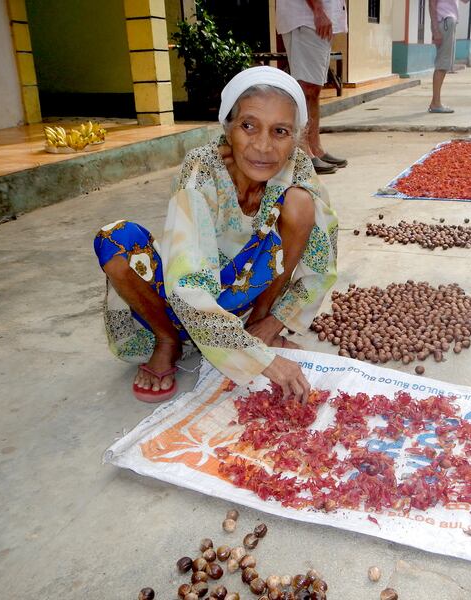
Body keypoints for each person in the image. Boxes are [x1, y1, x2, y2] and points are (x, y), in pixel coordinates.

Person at [93, 66, 338, 404]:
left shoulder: (297, 167)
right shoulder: (202, 168)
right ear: (227, 127)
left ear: (295, 138)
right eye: (248, 126)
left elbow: (322, 258)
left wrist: (275, 322)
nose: (263, 146)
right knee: (115, 240)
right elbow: (187, 284)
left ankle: (259, 324)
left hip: (245, 301)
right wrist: (260, 359)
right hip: (179, 302)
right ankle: (168, 340)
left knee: (300, 204)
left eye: (280, 131)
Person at [276, 0, 348, 175]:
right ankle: (303, 153)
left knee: (313, 90)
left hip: (314, 17)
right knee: (305, 88)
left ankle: (316, 148)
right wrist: (318, 10)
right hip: (307, 17)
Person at [428, 0, 458, 113]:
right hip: (445, 22)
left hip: (448, 22)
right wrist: (435, 30)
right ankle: (436, 104)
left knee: (444, 64)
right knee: (442, 63)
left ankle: (435, 102)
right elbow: (432, 4)